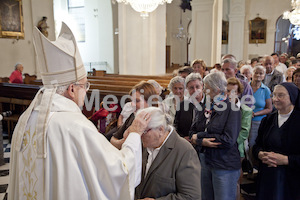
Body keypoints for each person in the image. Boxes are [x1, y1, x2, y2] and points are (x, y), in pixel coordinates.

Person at [9, 23, 147, 200]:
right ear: (72, 89)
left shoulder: (25, 119)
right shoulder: (74, 125)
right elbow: (118, 171)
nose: (87, 90)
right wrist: (135, 134)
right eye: (84, 85)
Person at [190, 72, 241, 200]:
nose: (202, 91)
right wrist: (201, 141)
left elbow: (228, 140)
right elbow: (192, 132)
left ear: (216, 90)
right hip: (205, 159)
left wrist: (200, 138)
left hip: (224, 163)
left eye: (206, 87)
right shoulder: (204, 107)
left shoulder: (232, 109)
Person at [135, 107, 201, 200]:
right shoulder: (145, 144)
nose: (139, 136)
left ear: (160, 130)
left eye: (144, 131)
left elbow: (191, 196)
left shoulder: (184, 151)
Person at [253, 82, 300, 200]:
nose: (275, 99)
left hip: (292, 179)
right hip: (268, 176)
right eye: (274, 95)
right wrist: (260, 154)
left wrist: (286, 160)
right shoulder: (268, 119)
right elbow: (257, 146)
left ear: (292, 97)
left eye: (281, 95)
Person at [111, 81, 159, 149]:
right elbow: (113, 139)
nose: (132, 104)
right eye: (132, 101)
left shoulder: (157, 123)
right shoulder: (133, 116)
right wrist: (123, 143)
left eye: (137, 101)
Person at [249, 65, 272, 167]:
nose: (258, 75)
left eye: (261, 73)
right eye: (256, 72)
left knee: (253, 144)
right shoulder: (246, 87)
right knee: (243, 146)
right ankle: (247, 166)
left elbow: (269, 108)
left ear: (264, 76)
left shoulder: (265, 90)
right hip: (244, 120)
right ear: (251, 74)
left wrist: (255, 114)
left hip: (258, 121)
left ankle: (254, 168)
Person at [174, 73, 204, 139]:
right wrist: (182, 138)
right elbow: (176, 125)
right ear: (187, 89)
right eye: (191, 88)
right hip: (185, 142)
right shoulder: (182, 105)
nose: (195, 90)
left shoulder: (210, 104)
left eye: (197, 86)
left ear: (202, 86)